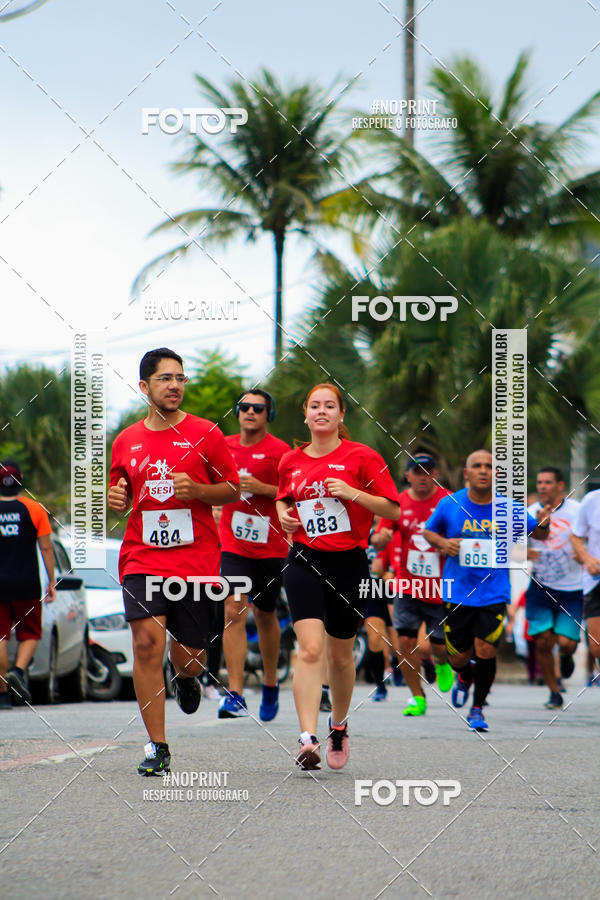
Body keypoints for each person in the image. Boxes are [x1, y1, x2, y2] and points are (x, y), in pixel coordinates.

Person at [108, 348, 239, 774]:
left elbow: (233, 489)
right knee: (146, 645)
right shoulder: (126, 440)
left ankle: (184, 676)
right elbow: (120, 487)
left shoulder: (206, 433)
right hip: (142, 557)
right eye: (165, 378)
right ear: (144, 386)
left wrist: (198, 491)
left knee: (191, 658)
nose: (175, 385)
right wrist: (115, 496)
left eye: (180, 378)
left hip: (195, 561)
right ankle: (157, 746)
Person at [276, 383, 400, 770]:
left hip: (349, 563)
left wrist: (352, 492)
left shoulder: (363, 457)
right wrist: (284, 516)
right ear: (305, 415)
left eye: (329, 406)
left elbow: (392, 510)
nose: (321, 411)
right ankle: (307, 737)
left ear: (341, 414)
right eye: (314, 405)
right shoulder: (290, 461)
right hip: (304, 559)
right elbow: (284, 497)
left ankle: (339, 725)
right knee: (310, 649)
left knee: (341, 657)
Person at [423, 450, 552, 732]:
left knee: (486, 649)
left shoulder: (510, 508)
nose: (484, 470)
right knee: (458, 658)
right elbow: (429, 532)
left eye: (490, 466)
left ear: (497, 474)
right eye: (477, 466)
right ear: (466, 473)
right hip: (457, 592)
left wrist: (544, 521)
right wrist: (443, 544)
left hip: (494, 592)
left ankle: (478, 708)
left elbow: (540, 534)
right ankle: (464, 676)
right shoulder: (450, 504)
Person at [218, 390, 290, 720]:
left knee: (264, 614)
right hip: (232, 543)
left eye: (258, 408)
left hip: (270, 545)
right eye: (245, 407)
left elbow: (293, 494)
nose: (250, 412)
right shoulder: (223, 446)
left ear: (268, 415)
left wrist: (261, 488)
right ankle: (235, 694)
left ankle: (271, 683)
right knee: (233, 609)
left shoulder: (281, 452)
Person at [371, 454, 453, 716]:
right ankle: (417, 697)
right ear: (407, 476)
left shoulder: (448, 501)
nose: (423, 476)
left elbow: (464, 531)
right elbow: (380, 536)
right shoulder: (398, 502)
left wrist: (449, 543)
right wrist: (381, 539)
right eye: (417, 471)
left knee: (439, 645)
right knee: (404, 642)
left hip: (441, 587)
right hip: (407, 586)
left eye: (428, 471)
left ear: (436, 474)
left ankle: (442, 664)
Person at [525, 467, 583, 709]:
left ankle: (567, 656)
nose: (542, 487)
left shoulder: (577, 510)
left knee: (567, 643)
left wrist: (584, 554)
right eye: (539, 482)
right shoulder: (528, 512)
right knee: (543, 642)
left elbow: (591, 537)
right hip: (540, 587)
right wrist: (524, 553)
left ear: (560, 485)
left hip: (572, 589)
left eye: (548, 482)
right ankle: (554, 691)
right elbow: (512, 547)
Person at [0, 460, 56, 708]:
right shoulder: (34, 509)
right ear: (21, 480)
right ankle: (19, 671)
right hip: (27, 583)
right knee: (30, 633)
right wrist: (51, 581)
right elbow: (46, 548)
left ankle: (2, 694)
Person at [571, 487, 600, 685]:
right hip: (595, 579)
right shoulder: (592, 499)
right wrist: (587, 559)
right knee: (596, 647)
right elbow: (575, 535)